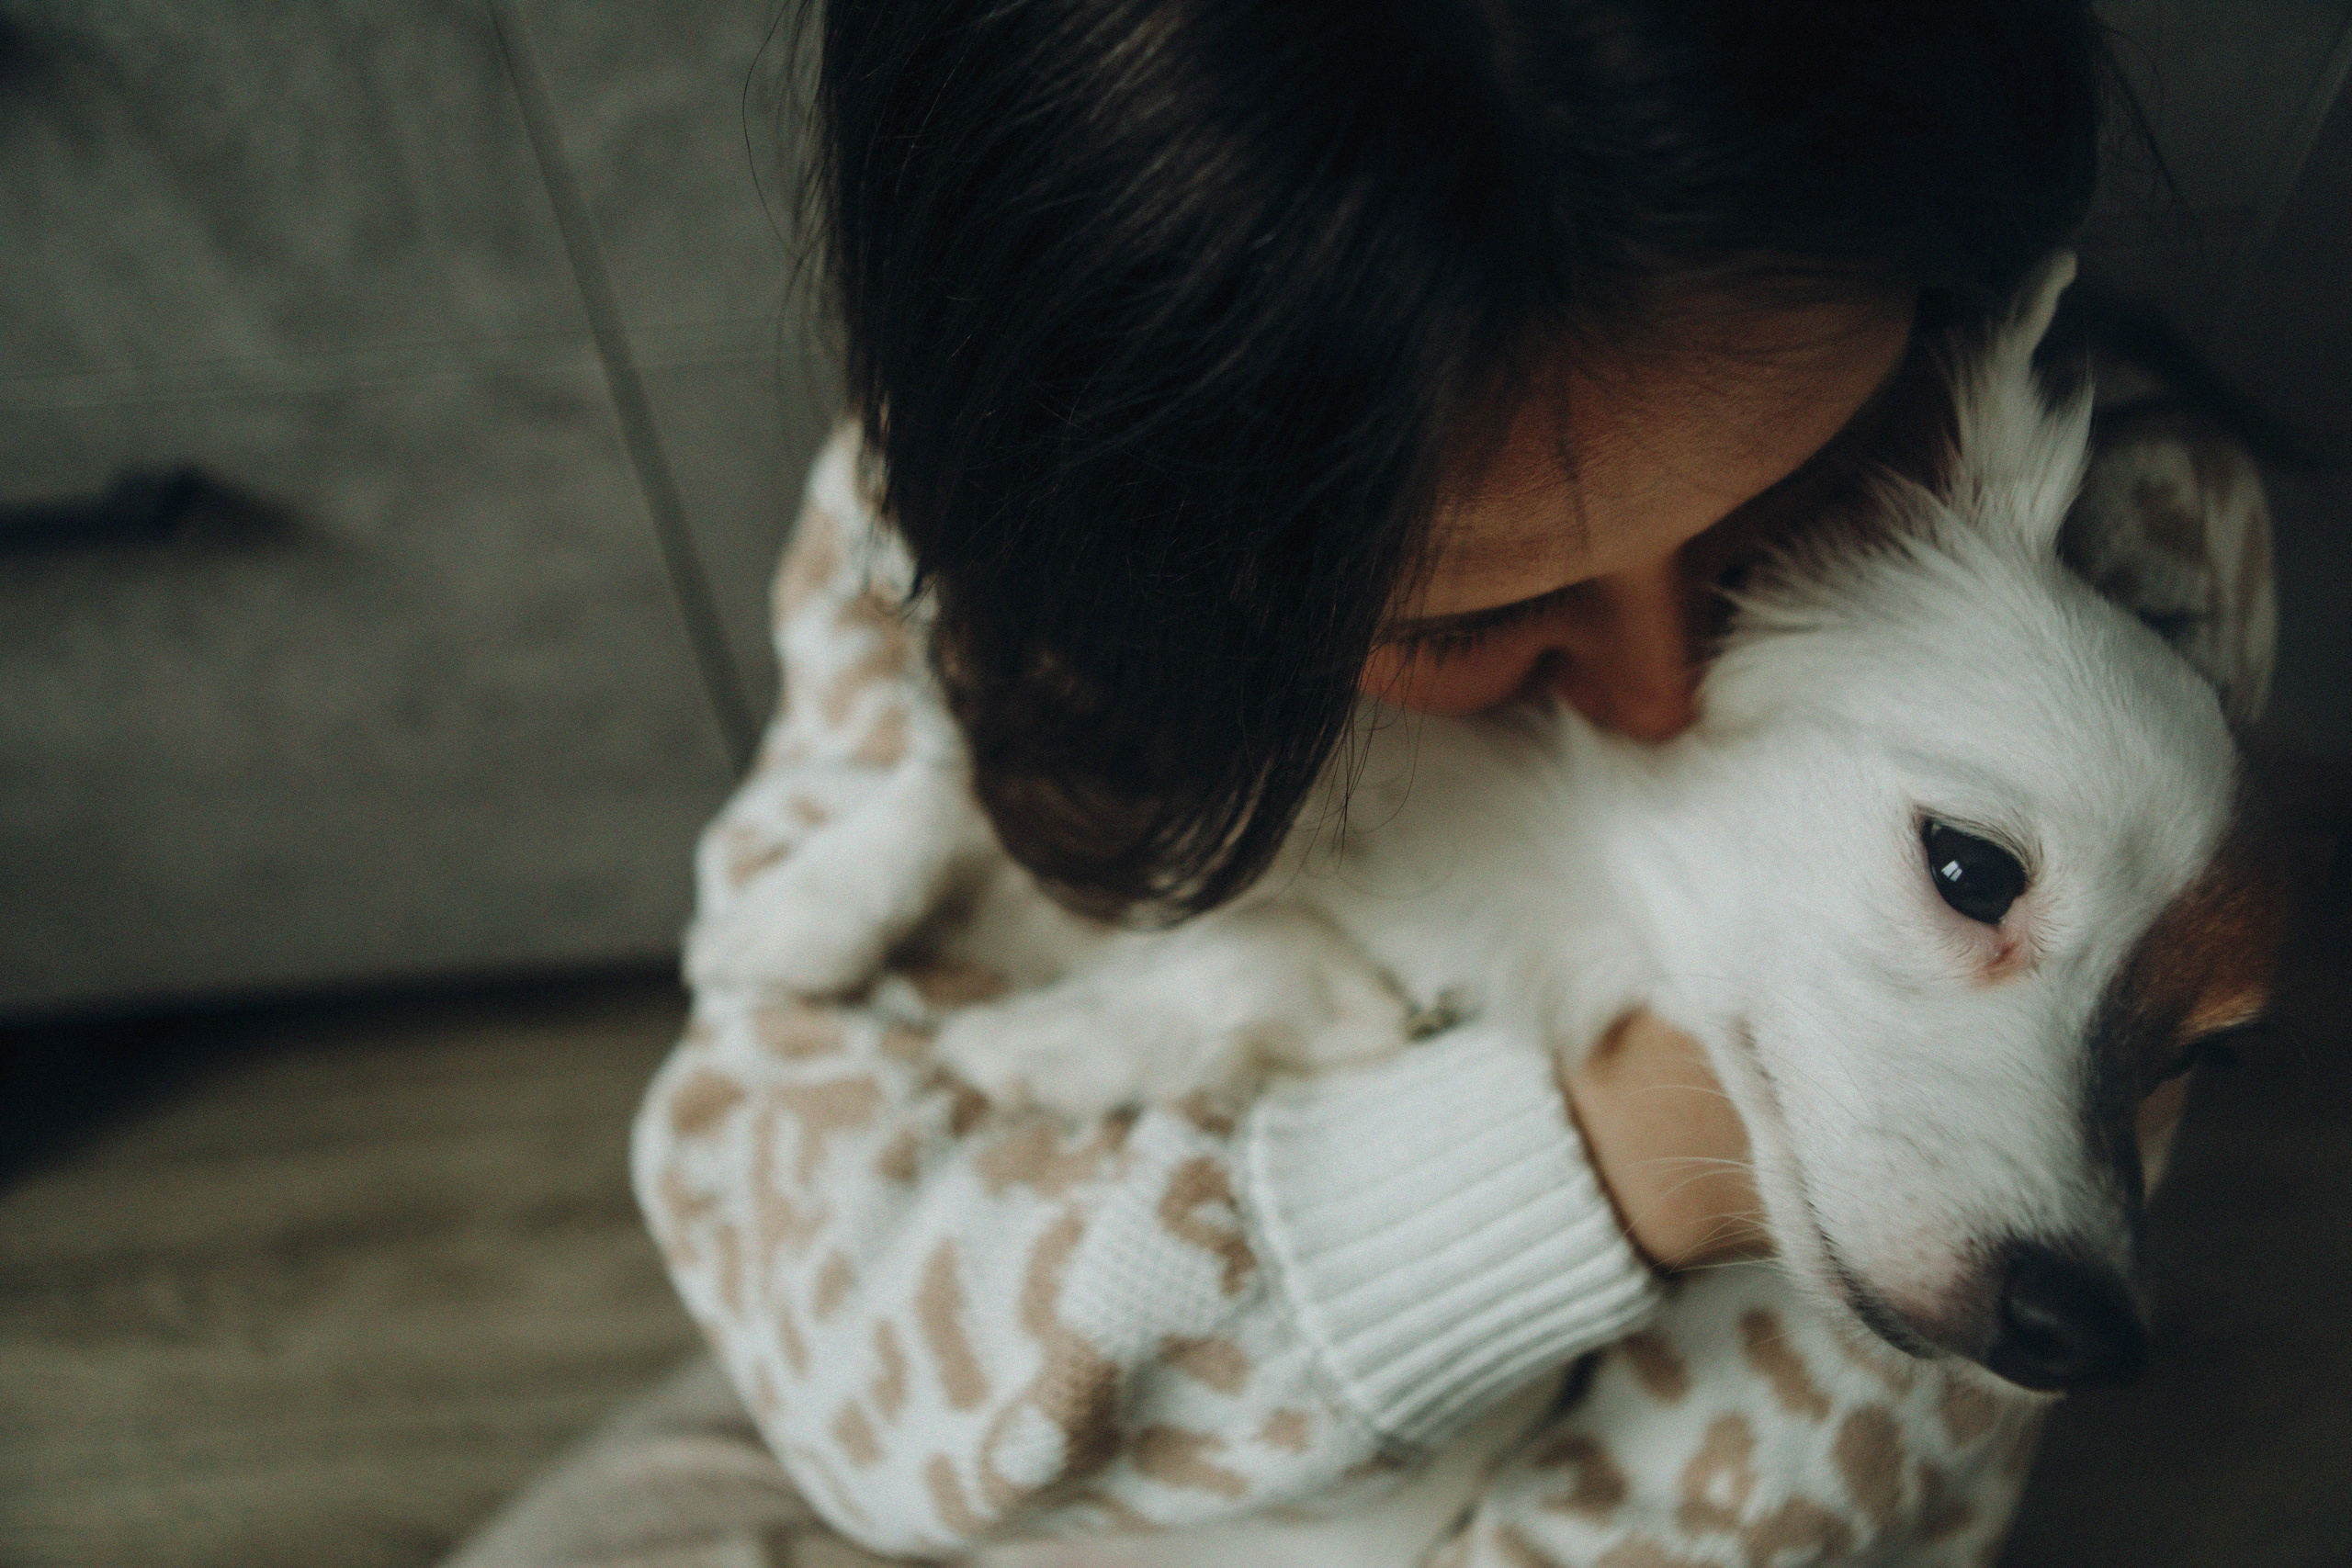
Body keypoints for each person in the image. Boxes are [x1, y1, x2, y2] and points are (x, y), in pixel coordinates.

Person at [483, 3, 2258, 1564]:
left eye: (1770, 521)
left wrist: (1644, 1162)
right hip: (1004, 1328)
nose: (1661, 696)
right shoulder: (993, 515)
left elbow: (1715, 1517)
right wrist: (1553, 1167)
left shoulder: (2125, 602)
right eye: (1482, 610)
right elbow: (796, 1232)